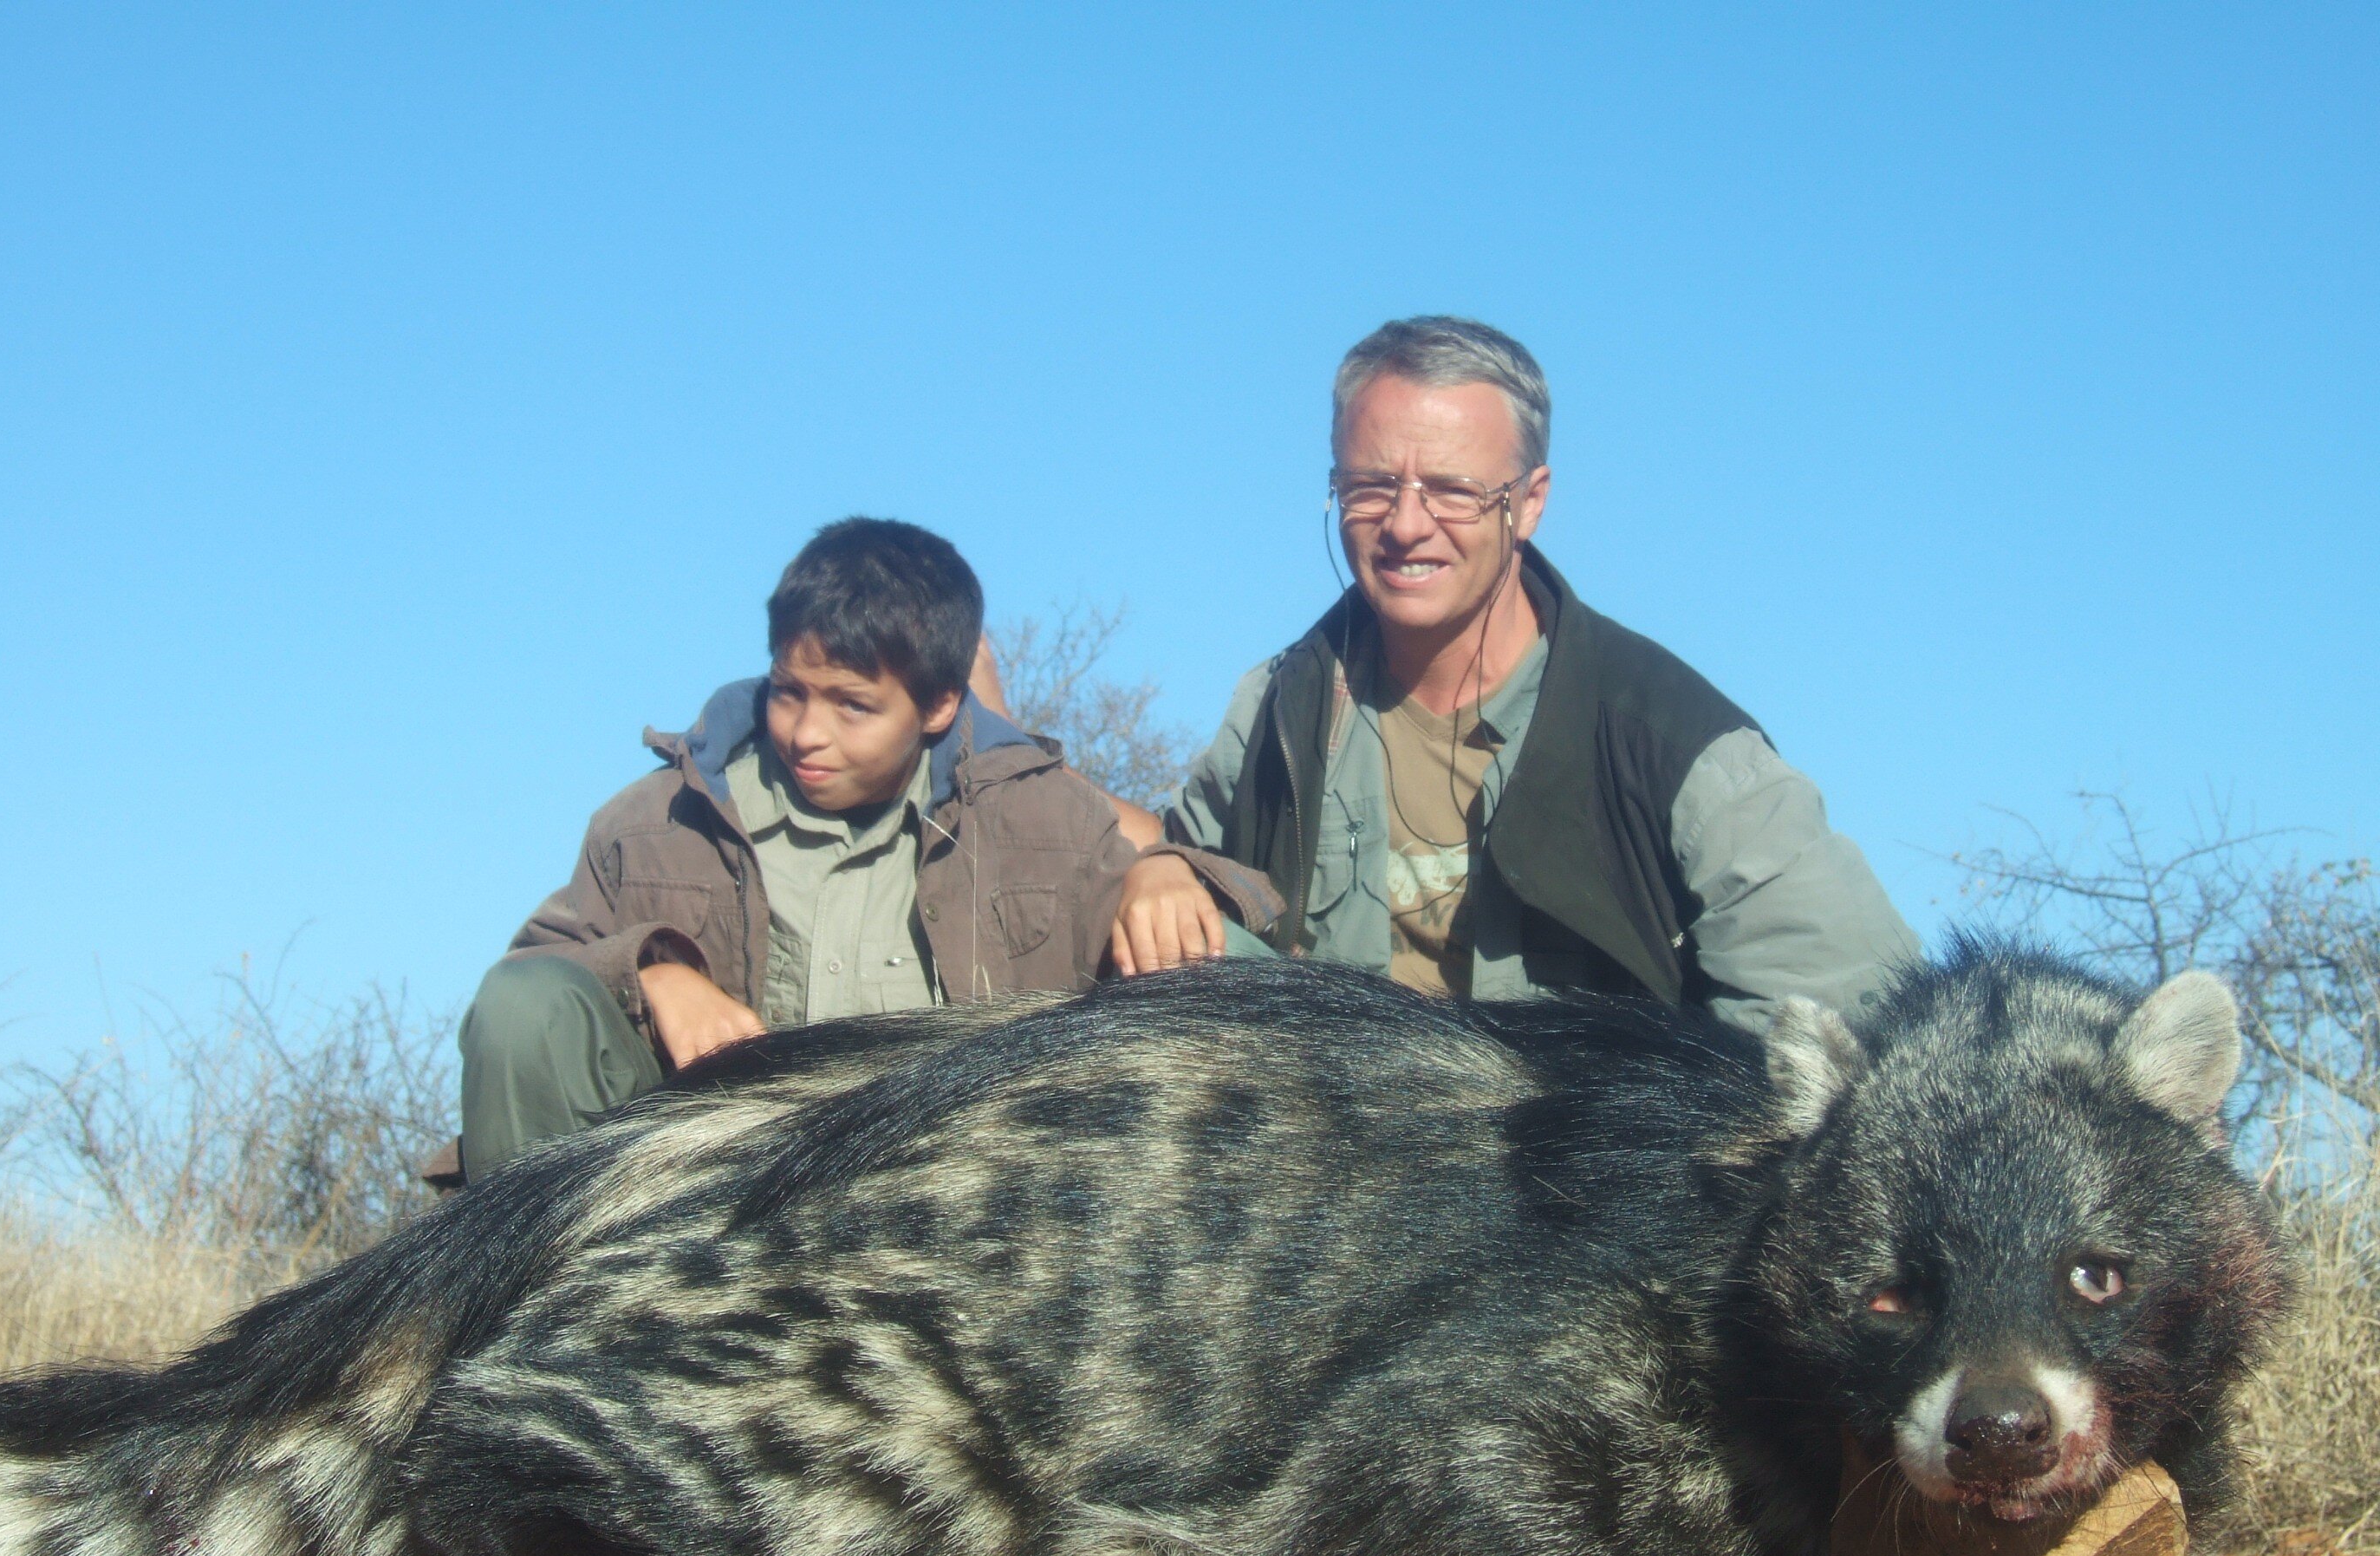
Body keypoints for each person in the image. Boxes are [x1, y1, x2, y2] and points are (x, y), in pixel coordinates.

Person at [1129, 315, 1919, 1028]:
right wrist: (1155, 872)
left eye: (1452, 491)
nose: (1406, 525)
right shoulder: (1279, 710)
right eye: (1371, 487)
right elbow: (1186, 863)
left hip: (1575, 1181)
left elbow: (1863, 1009)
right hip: (1324, 1169)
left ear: (1530, 502)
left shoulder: (1674, 742)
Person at [445, 517, 1275, 1182]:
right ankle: (536, 1353)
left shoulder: (1038, 816)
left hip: (950, 1208)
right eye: (789, 693)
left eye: (853, 706)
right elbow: (528, 988)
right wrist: (650, 973)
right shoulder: (655, 820)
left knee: (1220, 960)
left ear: (941, 705)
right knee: (528, 1009)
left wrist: (1167, 871)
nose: (808, 733)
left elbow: (1237, 912)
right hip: (697, 1216)